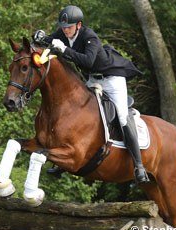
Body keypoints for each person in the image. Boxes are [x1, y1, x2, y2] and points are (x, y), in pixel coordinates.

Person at [33, 5, 149, 183]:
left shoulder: (89, 36)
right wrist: (41, 38)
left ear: (79, 25)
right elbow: (50, 41)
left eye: (69, 27)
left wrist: (63, 50)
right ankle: (64, 158)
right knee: (74, 109)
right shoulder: (63, 33)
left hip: (112, 79)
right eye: (63, 27)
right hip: (93, 80)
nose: (65, 30)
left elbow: (88, 60)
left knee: (123, 116)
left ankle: (139, 166)